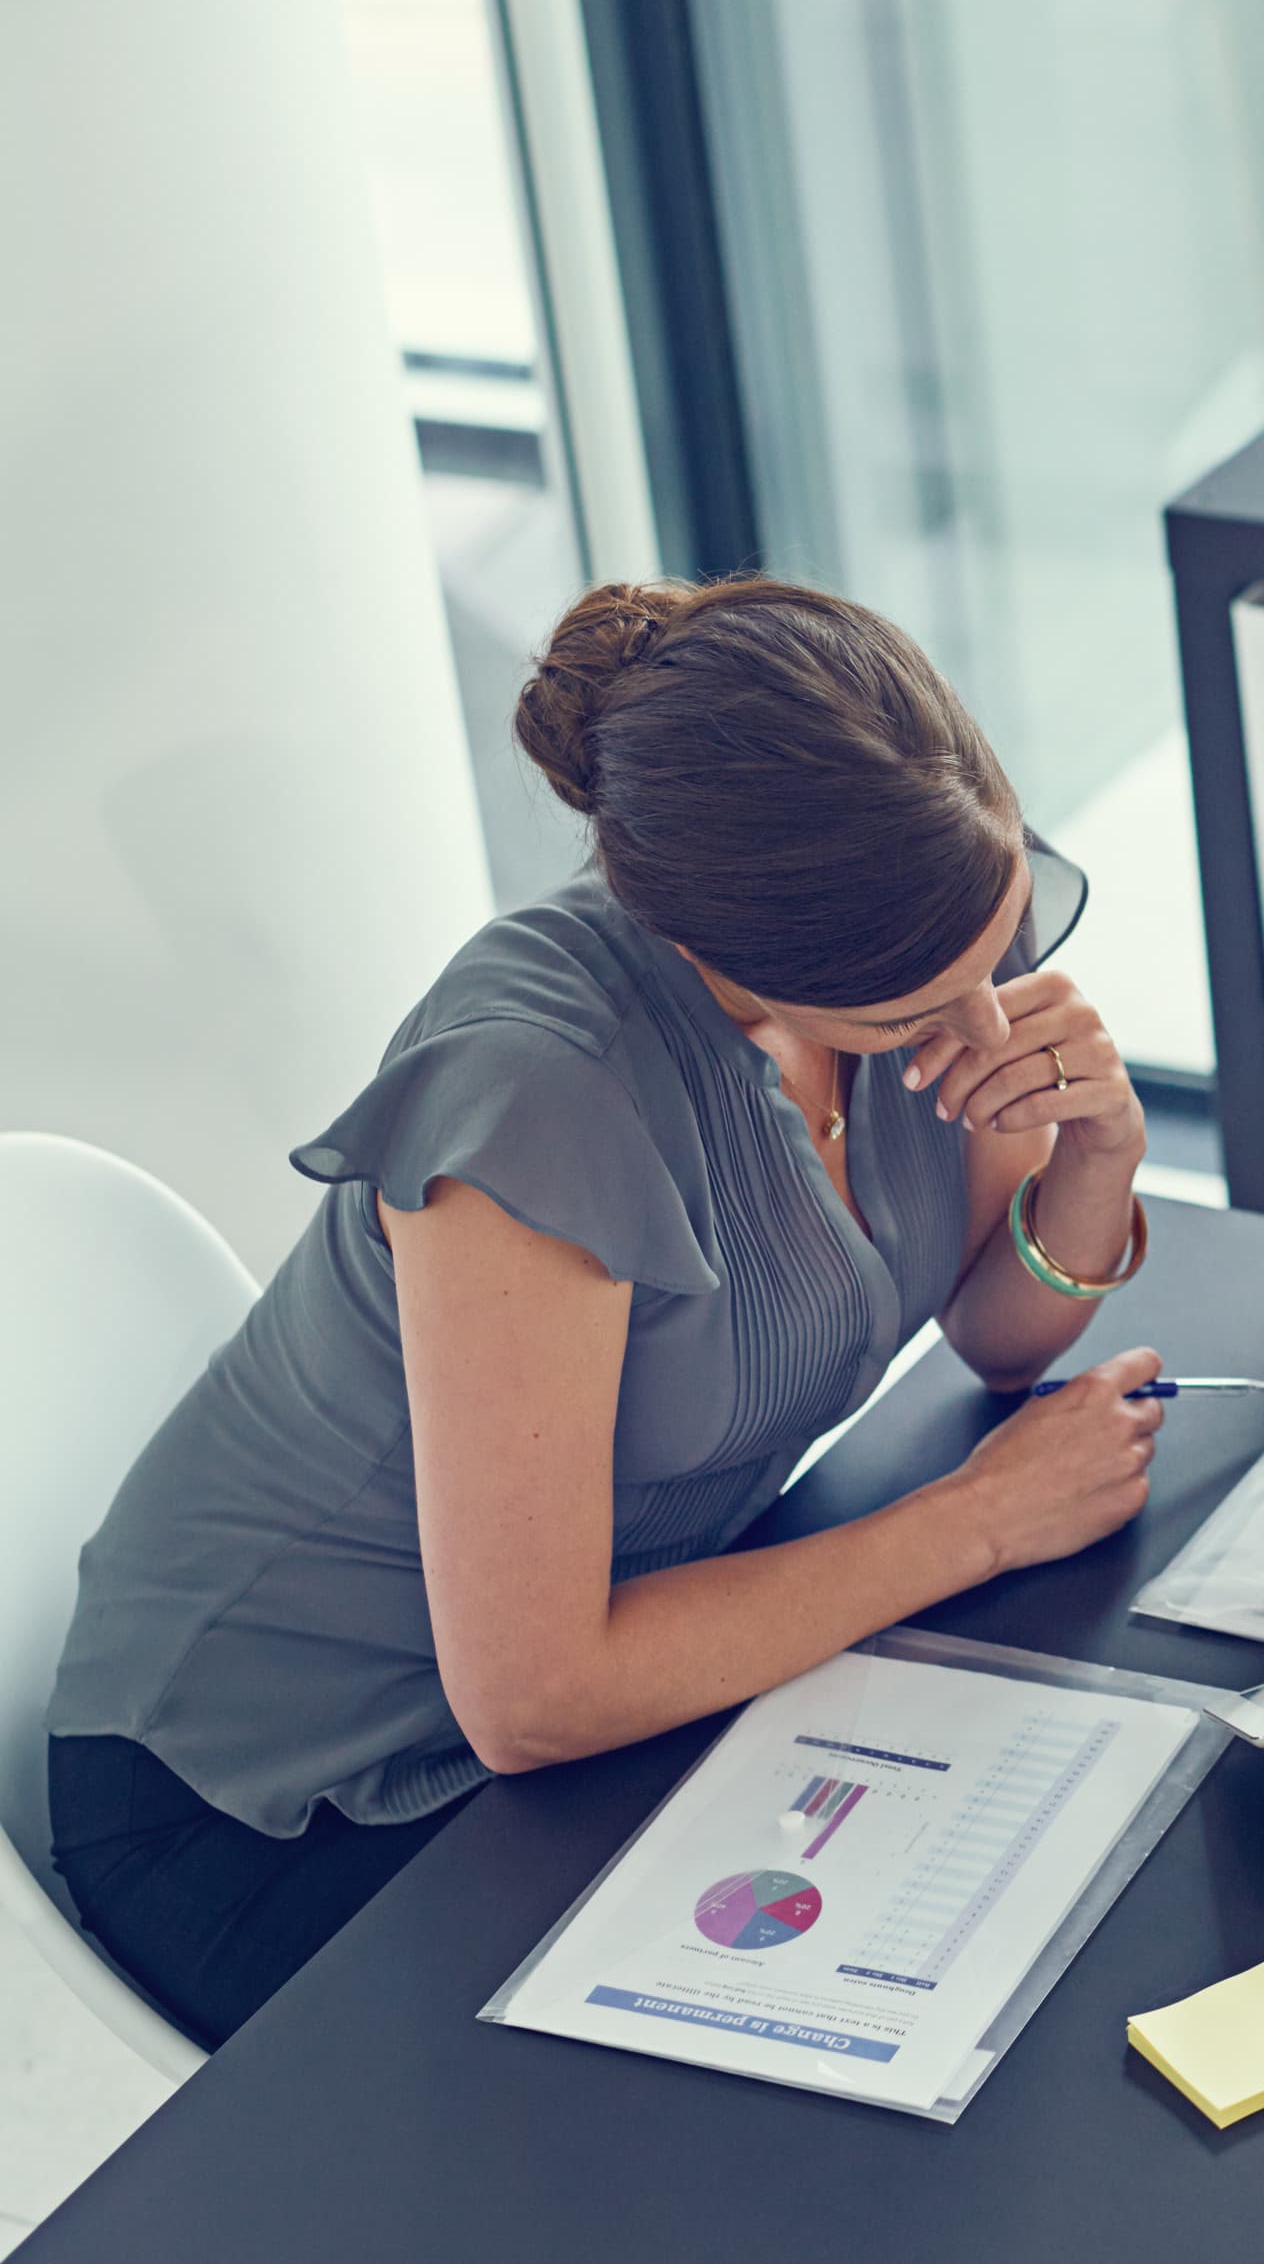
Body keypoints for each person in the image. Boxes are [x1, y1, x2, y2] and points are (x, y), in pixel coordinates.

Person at [49, 576, 1164, 2044]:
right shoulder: (535, 1098)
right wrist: (977, 1523)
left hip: (624, 1680)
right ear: (742, 960)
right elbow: (534, 1694)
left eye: (999, 955)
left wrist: (1100, 1151)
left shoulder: (923, 913)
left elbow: (995, 1327)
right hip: (282, 1800)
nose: (981, 1028)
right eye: (912, 1019)